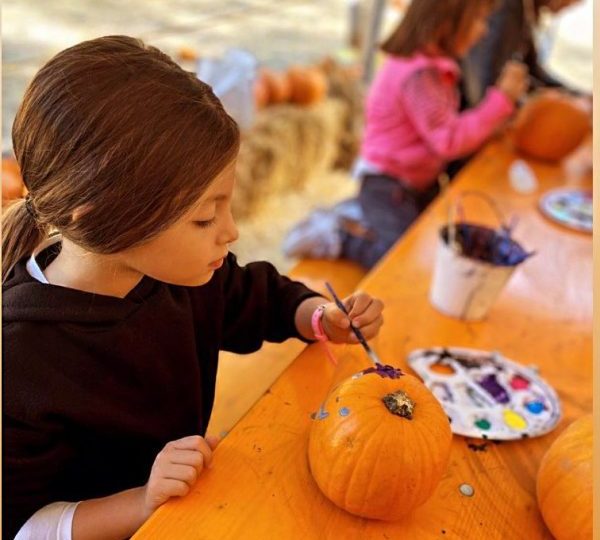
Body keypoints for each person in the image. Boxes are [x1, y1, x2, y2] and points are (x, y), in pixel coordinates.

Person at [2, 36, 385, 540]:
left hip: (192, 504)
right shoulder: (21, 360)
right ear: (107, 218)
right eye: (204, 217)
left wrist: (317, 315)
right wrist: (143, 501)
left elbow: (254, 296)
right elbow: (25, 526)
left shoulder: (182, 274)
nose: (230, 231)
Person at [285, 0, 528, 270]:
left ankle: (365, 218)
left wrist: (496, 123)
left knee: (440, 244)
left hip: (414, 184)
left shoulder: (432, 67)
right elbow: (448, 141)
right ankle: (337, 234)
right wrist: (501, 100)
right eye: (479, 19)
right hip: (387, 185)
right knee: (398, 257)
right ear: (446, 24)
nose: (483, 31)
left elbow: (444, 126)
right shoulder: (419, 76)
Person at [461, 0, 581, 106]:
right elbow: (481, 89)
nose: (576, 3)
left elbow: (531, 70)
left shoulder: (523, 9)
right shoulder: (508, 7)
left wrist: (574, 95)